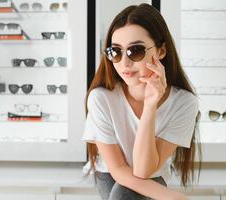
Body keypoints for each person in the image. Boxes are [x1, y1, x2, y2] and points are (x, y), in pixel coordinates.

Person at [83, 3, 201, 200]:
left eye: (135, 51)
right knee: (123, 191)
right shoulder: (101, 98)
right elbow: (119, 169)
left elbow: (144, 170)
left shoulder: (184, 102)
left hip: (151, 172)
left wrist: (150, 105)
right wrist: (173, 197)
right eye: (116, 52)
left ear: (161, 51)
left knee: (125, 193)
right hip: (110, 172)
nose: (125, 63)